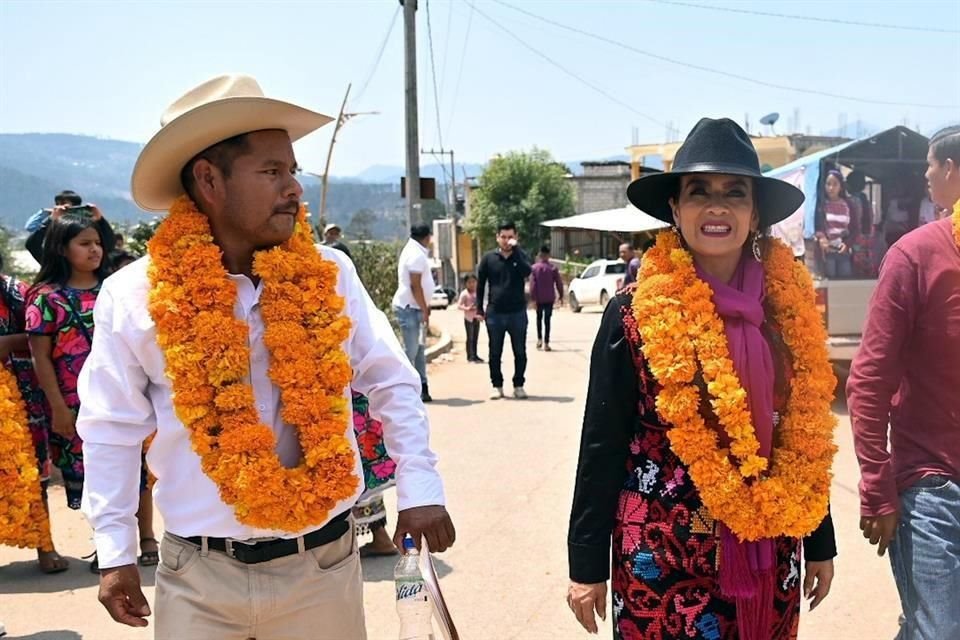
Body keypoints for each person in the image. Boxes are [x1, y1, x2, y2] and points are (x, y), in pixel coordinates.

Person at [77, 74, 454, 639]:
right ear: (209, 179)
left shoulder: (330, 274)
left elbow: (392, 382)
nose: (294, 189)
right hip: (197, 575)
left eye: (293, 171)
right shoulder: (135, 295)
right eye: (272, 172)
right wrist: (114, 548)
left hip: (321, 567)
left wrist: (420, 488)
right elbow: (111, 427)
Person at [568, 118, 837, 639]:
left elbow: (802, 438)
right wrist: (585, 565)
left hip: (770, 552)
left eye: (734, 193)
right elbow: (601, 443)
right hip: (662, 561)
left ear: (755, 211)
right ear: (675, 209)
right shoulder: (632, 314)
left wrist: (820, 541)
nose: (717, 207)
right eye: (699, 192)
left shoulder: (787, 312)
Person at [847, 125, 960, 640]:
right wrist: (876, 487)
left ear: (950, 170)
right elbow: (869, 379)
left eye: (931, 166)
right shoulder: (916, 256)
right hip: (935, 488)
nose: (926, 176)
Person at [0, 254, 68, 574]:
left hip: (20, 397)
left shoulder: (15, 292)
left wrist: (4, 343)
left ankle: (45, 545)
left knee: (32, 472)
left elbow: (42, 336)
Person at [476, 221, 532, 400]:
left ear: (516, 237)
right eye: (504, 237)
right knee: (494, 351)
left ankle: (519, 385)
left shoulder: (521, 256)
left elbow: (526, 272)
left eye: (511, 237)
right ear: (497, 237)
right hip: (495, 312)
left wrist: (516, 252)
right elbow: (480, 284)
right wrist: (479, 308)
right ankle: (497, 385)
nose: (507, 241)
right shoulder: (488, 258)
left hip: (517, 312)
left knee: (520, 351)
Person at [393, 223, 435, 402]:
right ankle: (399, 388)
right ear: (427, 237)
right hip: (410, 308)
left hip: (415, 307)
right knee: (410, 351)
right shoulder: (416, 254)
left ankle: (422, 386)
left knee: (419, 350)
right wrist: (425, 309)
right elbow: (415, 285)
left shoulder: (414, 250)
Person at [24, 191, 116, 265]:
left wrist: (100, 220)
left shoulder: (87, 226)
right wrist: (50, 219)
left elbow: (110, 244)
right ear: (62, 250)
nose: (94, 249)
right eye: (57, 204)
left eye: (97, 243)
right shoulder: (56, 266)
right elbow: (32, 243)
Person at [815, 170, 854, 279]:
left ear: (841, 186)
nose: (831, 188)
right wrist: (822, 238)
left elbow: (855, 229)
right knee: (830, 283)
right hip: (828, 252)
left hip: (844, 251)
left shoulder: (848, 205)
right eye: (828, 184)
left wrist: (847, 244)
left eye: (835, 184)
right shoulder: (822, 205)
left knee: (845, 284)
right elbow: (818, 226)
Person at [529, 245, 563, 351]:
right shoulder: (553, 268)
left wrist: (533, 298)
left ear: (539, 255)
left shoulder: (534, 268)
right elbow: (559, 283)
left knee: (539, 319)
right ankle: (546, 343)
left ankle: (539, 339)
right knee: (547, 320)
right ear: (548, 255)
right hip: (549, 298)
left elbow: (532, 285)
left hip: (538, 298)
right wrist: (561, 295)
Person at [457, 274, 483, 363]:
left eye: (473, 282)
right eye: (469, 282)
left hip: (476, 318)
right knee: (470, 337)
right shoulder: (464, 294)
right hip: (468, 318)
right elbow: (459, 305)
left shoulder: (478, 293)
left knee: (475, 337)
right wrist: (467, 308)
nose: (472, 284)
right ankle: (470, 356)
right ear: (465, 284)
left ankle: (475, 355)